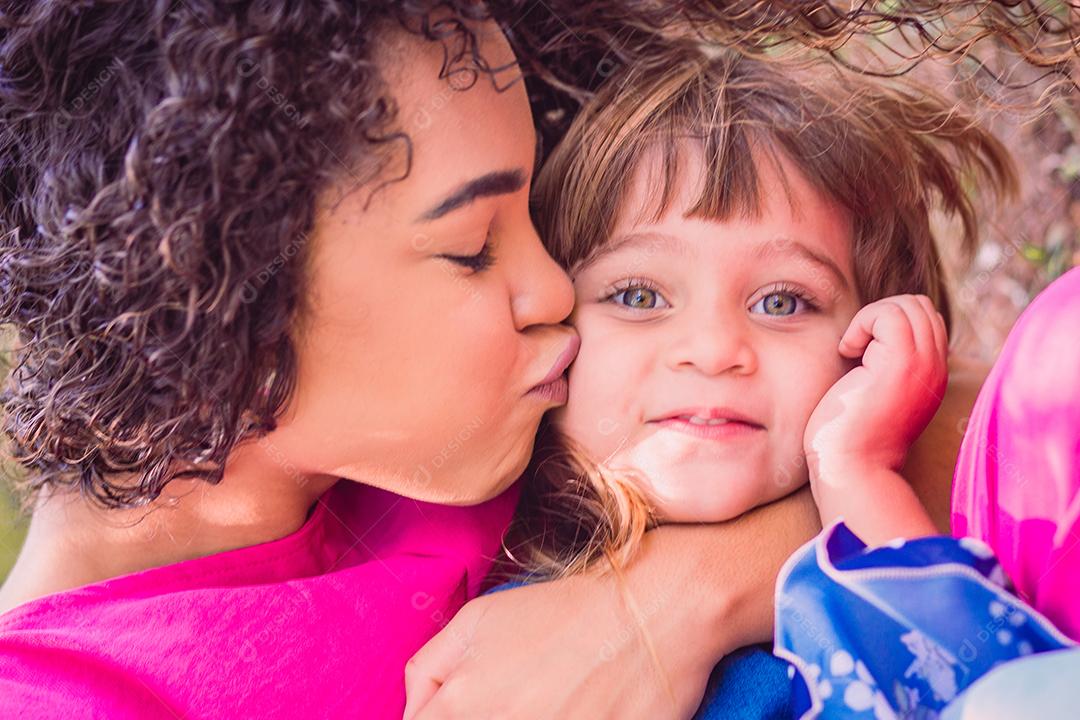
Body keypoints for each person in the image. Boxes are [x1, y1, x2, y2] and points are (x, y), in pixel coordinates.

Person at [437, 46, 1077, 719]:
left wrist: (860, 474)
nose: (714, 351)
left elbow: (974, 691)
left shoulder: (866, 567)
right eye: (637, 294)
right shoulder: (511, 646)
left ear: (867, 351)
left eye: (782, 302)